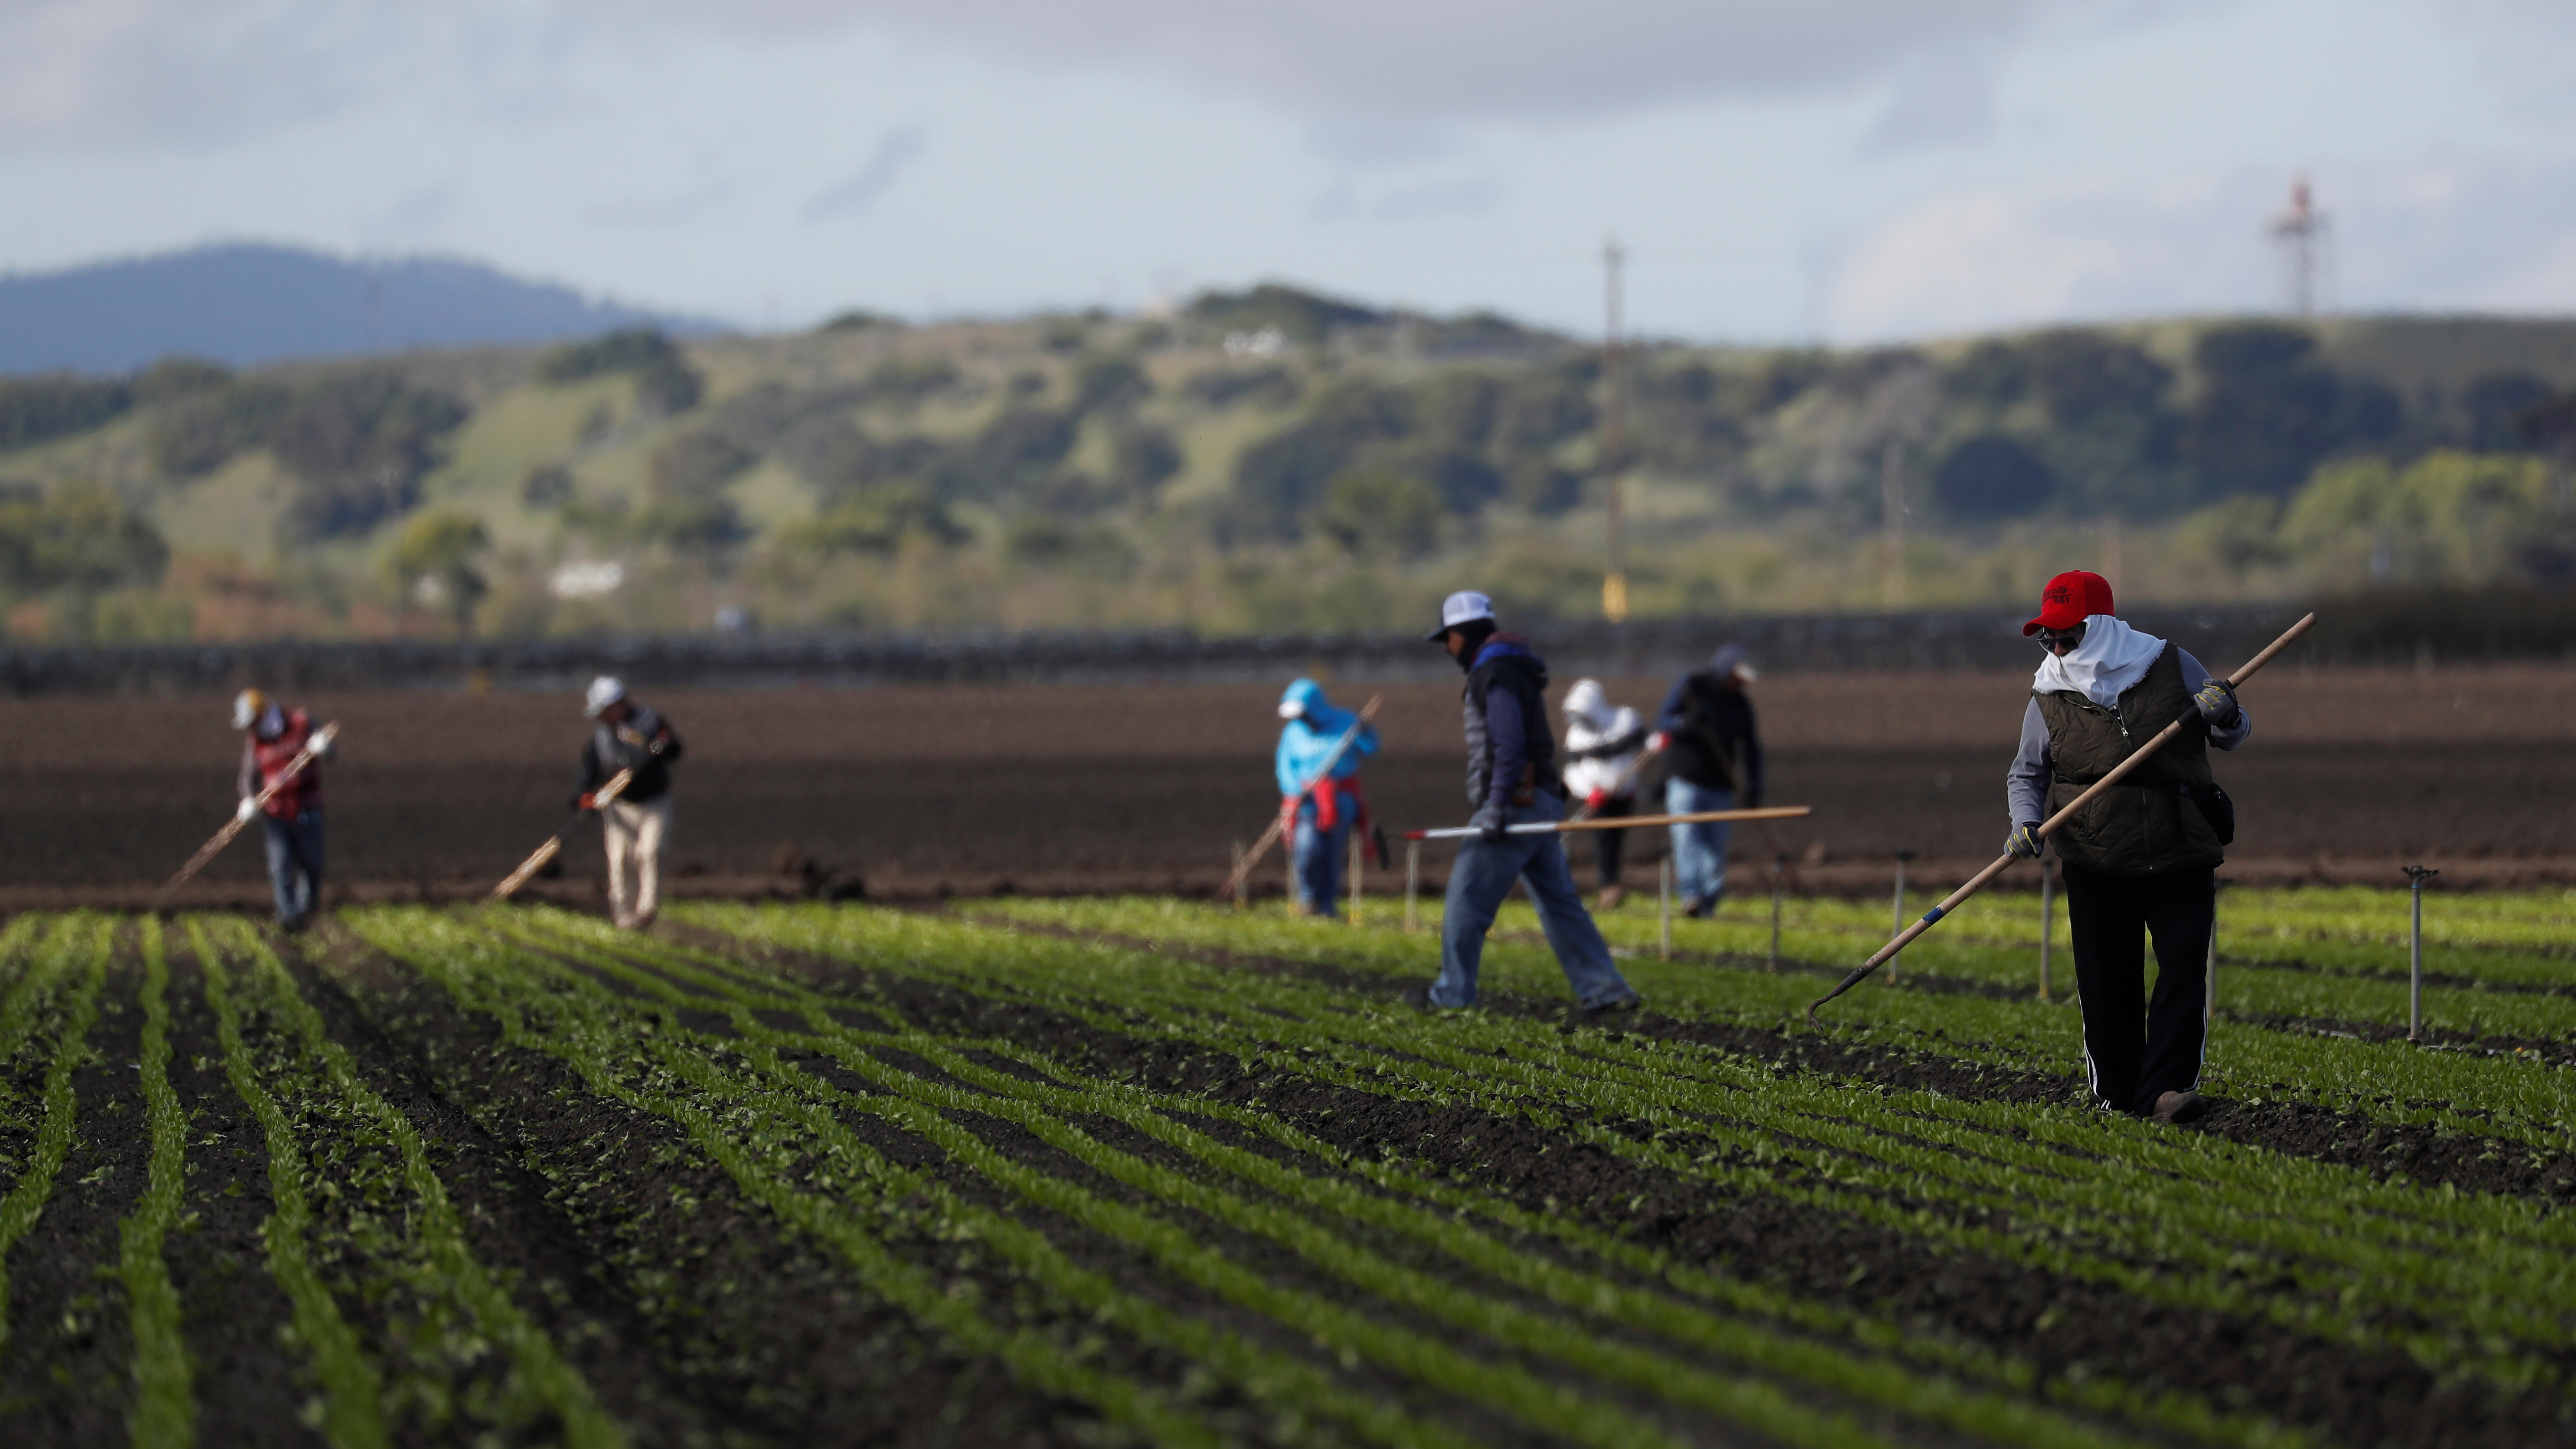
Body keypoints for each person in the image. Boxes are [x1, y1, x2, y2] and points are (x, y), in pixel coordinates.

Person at [2005, 570, 2249, 1126]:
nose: (2059, 647)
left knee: (2182, 969)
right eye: (2050, 637)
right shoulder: (2046, 694)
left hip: (2179, 846)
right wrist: (2023, 822)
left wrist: (2224, 711)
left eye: (2069, 635)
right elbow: (2027, 773)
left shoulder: (2169, 665)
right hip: (2094, 857)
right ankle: (2116, 1096)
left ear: (2103, 625)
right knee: (2104, 978)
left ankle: (2164, 1090)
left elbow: (2232, 732)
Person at [1407, 591, 1639, 1023]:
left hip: (1517, 802)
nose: (1447, 647)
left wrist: (1496, 807)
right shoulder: (1512, 667)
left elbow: (1509, 745)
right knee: (1558, 902)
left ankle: (1452, 995)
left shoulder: (1494, 672)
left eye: (1449, 638)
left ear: (1464, 633)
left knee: (1466, 899)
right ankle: (1608, 992)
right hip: (1541, 801)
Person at [1652, 644, 1763, 918]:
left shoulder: (1741, 704)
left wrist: (1754, 784)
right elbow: (1664, 721)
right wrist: (1686, 724)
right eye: (1739, 676)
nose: (1742, 683)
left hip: (1721, 787)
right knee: (1686, 837)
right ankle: (1691, 896)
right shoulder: (1692, 686)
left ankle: (1709, 904)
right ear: (1727, 669)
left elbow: (1751, 748)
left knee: (1715, 848)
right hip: (1685, 781)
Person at [572, 676, 686, 930]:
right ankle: (624, 917)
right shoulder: (600, 737)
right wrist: (583, 798)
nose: (602, 718)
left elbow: (674, 749)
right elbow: (588, 772)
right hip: (619, 806)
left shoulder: (649, 722)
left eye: (604, 711)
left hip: (654, 802)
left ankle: (647, 911)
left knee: (649, 852)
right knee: (620, 859)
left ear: (618, 705)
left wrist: (660, 747)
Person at [1275, 678, 1381, 918]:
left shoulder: (1347, 722)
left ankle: (1327, 906)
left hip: (1340, 799)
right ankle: (1307, 900)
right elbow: (1285, 765)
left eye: (1303, 713)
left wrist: (1366, 731)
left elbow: (1370, 749)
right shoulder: (1292, 733)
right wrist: (1294, 791)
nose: (1300, 719)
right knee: (1307, 849)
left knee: (1330, 854)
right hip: (1306, 803)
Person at [234, 690, 336, 930]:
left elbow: (332, 751)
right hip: (276, 813)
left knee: (312, 863)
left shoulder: (302, 722)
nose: (252, 727)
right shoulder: (255, 739)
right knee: (280, 864)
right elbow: (247, 776)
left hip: (307, 808)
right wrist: (247, 800)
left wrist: (324, 747)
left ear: (262, 714)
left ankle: (306, 907)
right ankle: (288, 917)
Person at [1560, 678, 1648, 909]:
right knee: (1604, 840)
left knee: (1616, 838)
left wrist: (1654, 744)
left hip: (1623, 794)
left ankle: (1613, 886)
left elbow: (1642, 743)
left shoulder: (1624, 719)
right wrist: (1589, 792)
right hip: (1596, 799)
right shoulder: (1575, 736)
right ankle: (1608, 888)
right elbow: (1572, 770)